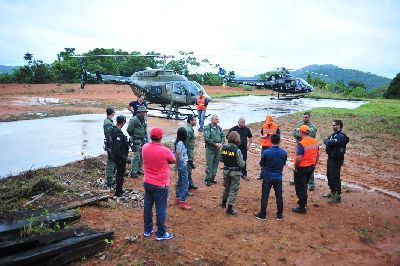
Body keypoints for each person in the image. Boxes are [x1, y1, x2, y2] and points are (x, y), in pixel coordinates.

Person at [142, 128, 176, 240]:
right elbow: (173, 160)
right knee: (160, 209)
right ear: (161, 137)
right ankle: (161, 233)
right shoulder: (164, 150)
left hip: (147, 182)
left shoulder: (144, 147)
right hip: (161, 184)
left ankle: (147, 229)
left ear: (150, 136)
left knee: (147, 206)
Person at [255, 134, 287, 221]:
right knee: (279, 196)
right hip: (278, 176)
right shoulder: (284, 152)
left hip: (268, 176)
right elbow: (283, 163)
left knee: (265, 195)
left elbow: (262, 164)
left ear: (270, 141)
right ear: (280, 141)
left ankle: (262, 214)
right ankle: (279, 215)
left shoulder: (266, 152)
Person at [292, 125, 319, 214]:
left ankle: (302, 207)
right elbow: (317, 155)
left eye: (299, 131)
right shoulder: (315, 141)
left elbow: (299, 158)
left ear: (301, 132)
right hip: (310, 167)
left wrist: (296, 167)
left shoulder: (302, 144)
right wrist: (314, 164)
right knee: (304, 185)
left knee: (300, 187)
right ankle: (302, 202)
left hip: (302, 168)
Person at [219, 131, 245, 215]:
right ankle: (229, 209)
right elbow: (241, 164)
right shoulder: (237, 150)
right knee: (234, 189)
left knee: (226, 187)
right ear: (237, 139)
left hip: (226, 171)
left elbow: (221, 159)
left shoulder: (223, 148)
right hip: (235, 172)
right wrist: (244, 163)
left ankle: (223, 203)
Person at [323, 120, 349, 203]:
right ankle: (332, 192)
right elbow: (326, 141)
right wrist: (328, 142)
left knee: (335, 177)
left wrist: (329, 142)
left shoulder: (341, 136)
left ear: (338, 126)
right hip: (331, 157)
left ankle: (337, 196)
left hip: (337, 159)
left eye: (333, 125)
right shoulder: (334, 134)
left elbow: (329, 142)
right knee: (329, 175)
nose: (332, 126)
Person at [293, 111, 318, 191]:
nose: (304, 118)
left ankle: (311, 184)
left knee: (309, 164)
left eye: (306, 117)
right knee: (300, 164)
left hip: (308, 148)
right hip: (300, 146)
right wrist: (300, 135)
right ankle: (301, 181)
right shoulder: (299, 124)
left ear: (309, 117)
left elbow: (311, 135)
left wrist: (300, 135)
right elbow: (294, 132)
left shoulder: (312, 126)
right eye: (303, 117)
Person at [109, 115, 130, 197]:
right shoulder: (117, 133)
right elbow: (117, 149)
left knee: (119, 174)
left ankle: (118, 189)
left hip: (116, 156)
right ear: (123, 122)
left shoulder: (113, 130)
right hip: (120, 157)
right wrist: (125, 158)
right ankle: (119, 191)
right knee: (120, 174)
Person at [127, 106, 148, 178]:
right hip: (136, 140)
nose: (145, 113)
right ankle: (133, 172)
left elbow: (145, 129)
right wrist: (134, 136)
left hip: (142, 139)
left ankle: (139, 169)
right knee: (136, 156)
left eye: (145, 112)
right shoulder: (134, 119)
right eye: (143, 112)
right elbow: (129, 129)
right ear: (140, 112)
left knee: (142, 155)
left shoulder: (143, 119)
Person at [204, 114, 225, 186]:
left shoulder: (219, 128)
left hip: (218, 149)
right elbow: (206, 139)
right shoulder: (207, 128)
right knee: (209, 164)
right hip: (210, 149)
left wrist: (221, 143)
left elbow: (223, 136)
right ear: (212, 120)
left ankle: (212, 178)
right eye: (216, 119)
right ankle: (208, 179)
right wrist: (214, 144)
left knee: (216, 163)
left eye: (218, 119)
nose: (218, 121)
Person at [174, 127, 192, 210]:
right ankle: (183, 202)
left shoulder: (178, 142)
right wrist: (177, 165)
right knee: (185, 183)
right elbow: (178, 154)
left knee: (180, 181)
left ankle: (178, 198)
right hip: (183, 165)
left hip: (181, 165)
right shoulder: (181, 143)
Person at [258, 115, 280, 179]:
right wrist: (264, 136)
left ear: (272, 120)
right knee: (263, 160)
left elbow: (278, 137)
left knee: (272, 161)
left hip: (272, 146)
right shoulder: (264, 126)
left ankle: (270, 175)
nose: (269, 123)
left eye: (270, 122)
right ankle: (262, 175)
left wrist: (272, 136)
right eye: (268, 122)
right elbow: (261, 134)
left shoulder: (276, 127)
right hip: (264, 146)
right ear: (266, 120)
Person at [183, 115, 198, 190]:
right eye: (194, 120)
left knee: (189, 170)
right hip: (188, 153)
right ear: (190, 121)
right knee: (187, 170)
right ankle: (187, 186)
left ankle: (190, 184)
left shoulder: (188, 128)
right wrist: (188, 155)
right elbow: (185, 143)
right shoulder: (188, 130)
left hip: (188, 152)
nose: (196, 122)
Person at [103, 107, 116, 188]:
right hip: (110, 145)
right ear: (112, 113)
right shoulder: (108, 122)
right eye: (114, 112)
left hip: (111, 144)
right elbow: (109, 135)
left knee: (112, 162)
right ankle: (109, 180)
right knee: (111, 162)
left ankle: (111, 179)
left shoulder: (109, 121)